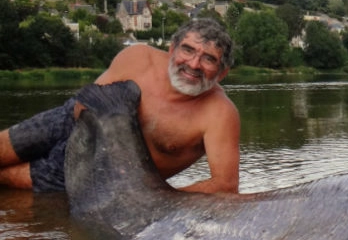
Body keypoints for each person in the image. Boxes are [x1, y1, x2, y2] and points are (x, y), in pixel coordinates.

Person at [0, 18, 240, 194]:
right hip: (68, 122)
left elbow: (225, 185)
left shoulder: (220, 114)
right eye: (188, 50)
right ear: (172, 49)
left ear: (222, 73)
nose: (193, 64)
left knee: (7, 180)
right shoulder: (139, 56)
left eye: (209, 58)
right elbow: (85, 103)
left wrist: (160, 200)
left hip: (100, 175)